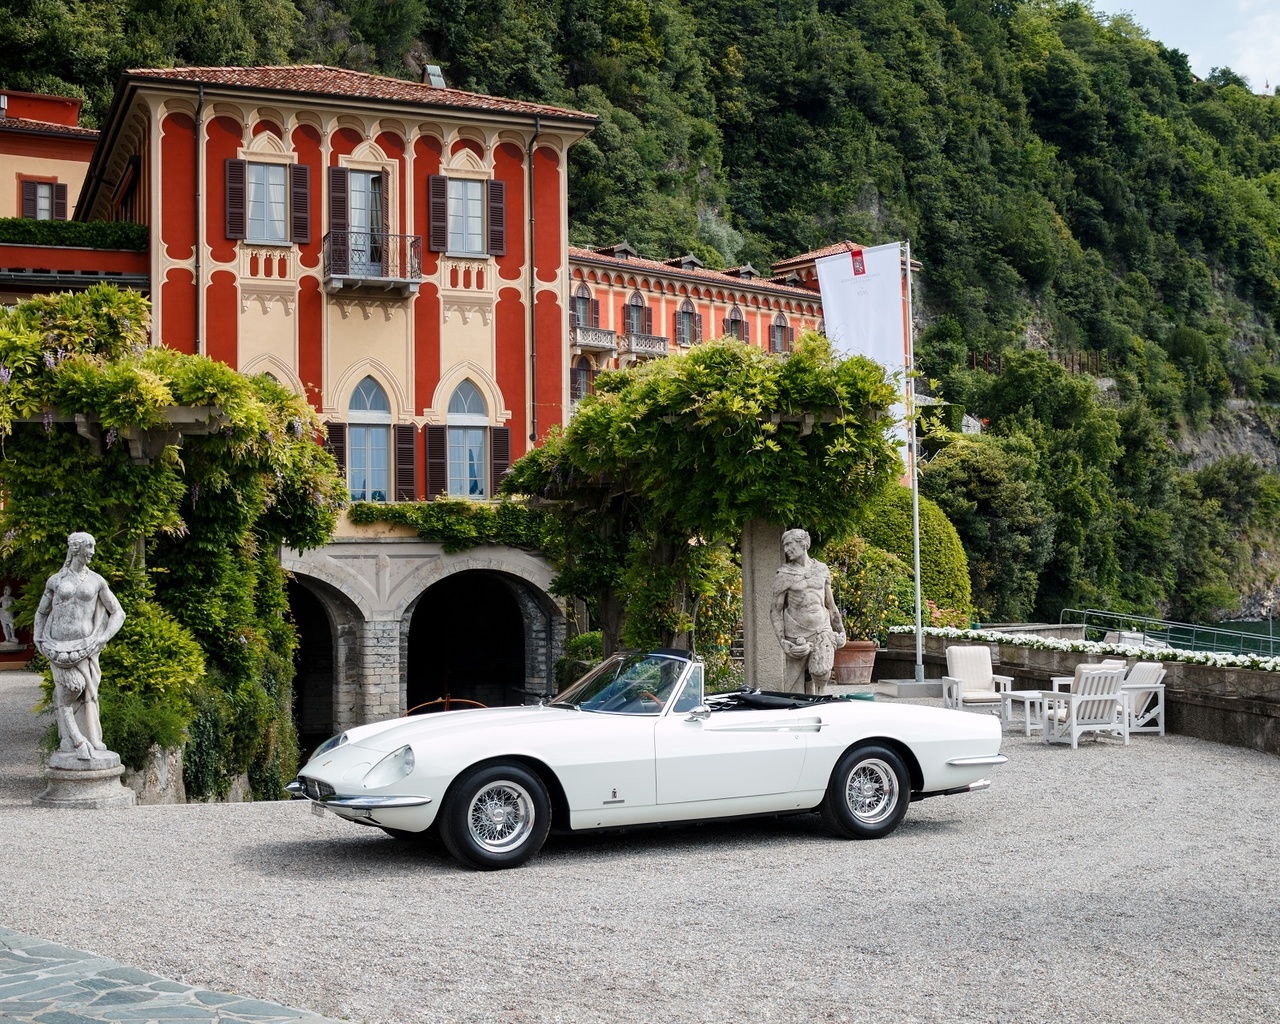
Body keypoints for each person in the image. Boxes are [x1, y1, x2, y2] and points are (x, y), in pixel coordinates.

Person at [33, 533, 126, 760]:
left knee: (87, 692)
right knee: (72, 688)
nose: (92, 552)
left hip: (87, 646)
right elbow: (42, 611)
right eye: (89, 547)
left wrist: (102, 638)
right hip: (57, 646)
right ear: (75, 549)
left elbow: (118, 612)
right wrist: (38, 636)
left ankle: (87, 738)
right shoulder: (55, 580)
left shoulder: (97, 581)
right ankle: (75, 739)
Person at [770, 528, 846, 695]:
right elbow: (775, 611)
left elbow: (830, 604)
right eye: (784, 546)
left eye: (789, 544)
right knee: (794, 684)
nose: (786, 549)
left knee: (822, 675)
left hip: (822, 629)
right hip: (797, 633)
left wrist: (840, 630)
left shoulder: (821, 569)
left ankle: (822, 714)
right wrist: (783, 642)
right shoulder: (784, 574)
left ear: (803, 543)